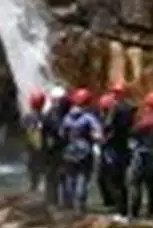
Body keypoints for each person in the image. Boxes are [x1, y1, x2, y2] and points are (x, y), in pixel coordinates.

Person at [58, 87, 103, 215]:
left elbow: (61, 134)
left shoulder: (67, 117)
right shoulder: (89, 118)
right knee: (83, 178)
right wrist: (97, 138)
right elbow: (98, 133)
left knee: (70, 178)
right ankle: (80, 206)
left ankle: (69, 205)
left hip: (69, 151)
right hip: (85, 152)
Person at [128, 90, 153, 220]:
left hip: (143, 154)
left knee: (135, 182)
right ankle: (151, 212)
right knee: (152, 183)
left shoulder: (150, 118)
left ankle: (134, 213)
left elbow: (134, 131)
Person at [101, 81, 137, 218]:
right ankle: (126, 210)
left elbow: (108, 126)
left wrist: (103, 136)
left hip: (113, 147)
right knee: (122, 180)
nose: (113, 94)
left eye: (114, 92)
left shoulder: (115, 108)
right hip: (125, 146)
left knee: (114, 180)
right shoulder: (132, 107)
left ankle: (120, 211)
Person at [40, 86, 70, 206]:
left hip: (53, 149)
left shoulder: (49, 114)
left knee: (53, 178)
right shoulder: (67, 113)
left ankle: (53, 202)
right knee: (62, 177)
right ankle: (65, 204)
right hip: (61, 149)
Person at [20, 89, 47, 192]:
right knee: (43, 171)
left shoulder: (27, 117)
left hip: (30, 148)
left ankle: (33, 189)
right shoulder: (45, 117)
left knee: (33, 172)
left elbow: (22, 132)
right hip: (43, 148)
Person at [95, 93, 117, 209]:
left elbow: (112, 134)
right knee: (101, 178)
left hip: (111, 152)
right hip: (105, 152)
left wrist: (102, 139)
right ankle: (109, 202)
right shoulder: (103, 117)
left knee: (110, 177)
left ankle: (114, 202)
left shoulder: (113, 119)